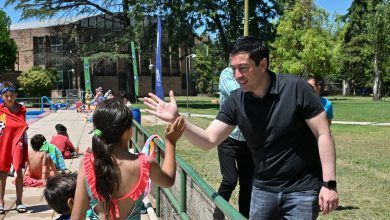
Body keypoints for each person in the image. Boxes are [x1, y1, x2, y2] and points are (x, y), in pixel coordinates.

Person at [144, 36, 339, 219]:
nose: (237, 75)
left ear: (263, 64)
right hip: (263, 189)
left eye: (243, 68)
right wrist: (177, 119)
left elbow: (323, 133)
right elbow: (208, 140)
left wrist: (329, 184)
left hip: (302, 190)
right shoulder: (236, 101)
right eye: (234, 68)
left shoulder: (297, 89)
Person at [71, 98, 185, 219]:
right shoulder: (144, 164)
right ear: (128, 132)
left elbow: (77, 217)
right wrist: (171, 143)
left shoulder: (87, 164)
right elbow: (168, 181)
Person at [213, 67, 254, 219]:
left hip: (248, 140)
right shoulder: (227, 74)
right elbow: (237, 92)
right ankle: (218, 214)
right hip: (227, 137)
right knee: (230, 180)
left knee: (247, 183)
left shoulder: (253, 75)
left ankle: (244, 216)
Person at [0, 81, 28, 214]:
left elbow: (24, 128)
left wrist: (26, 146)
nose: (9, 98)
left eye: (11, 95)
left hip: (19, 143)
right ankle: (1, 203)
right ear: (2, 96)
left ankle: (19, 201)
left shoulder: (22, 109)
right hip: (3, 143)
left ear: (16, 95)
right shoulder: (0, 110)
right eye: (6, 95)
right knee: (2, 173)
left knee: (19, 173)